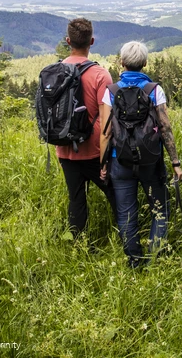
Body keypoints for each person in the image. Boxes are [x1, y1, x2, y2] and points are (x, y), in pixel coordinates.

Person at [100, 41, 182, 268]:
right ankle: (154, 258)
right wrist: (175, 162)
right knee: (160, 209)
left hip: (120, 160)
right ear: (145, 63)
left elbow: (106, 133)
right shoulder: (154, 90)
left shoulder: (111, 92)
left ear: (122, 62)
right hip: (151, 160)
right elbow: (165, 128)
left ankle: (135, 261)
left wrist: (103, 164)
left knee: (126, 213)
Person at [56, 18, 117, 239]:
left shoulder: (56, 72)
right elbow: (107, 122)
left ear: (68, 41)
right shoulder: (100, 74)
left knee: (76, 200)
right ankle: (127, 238)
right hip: (94, 150)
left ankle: (78, 245)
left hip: (65, 149)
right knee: (115, 194)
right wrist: (105, 158)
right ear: (91, 41)